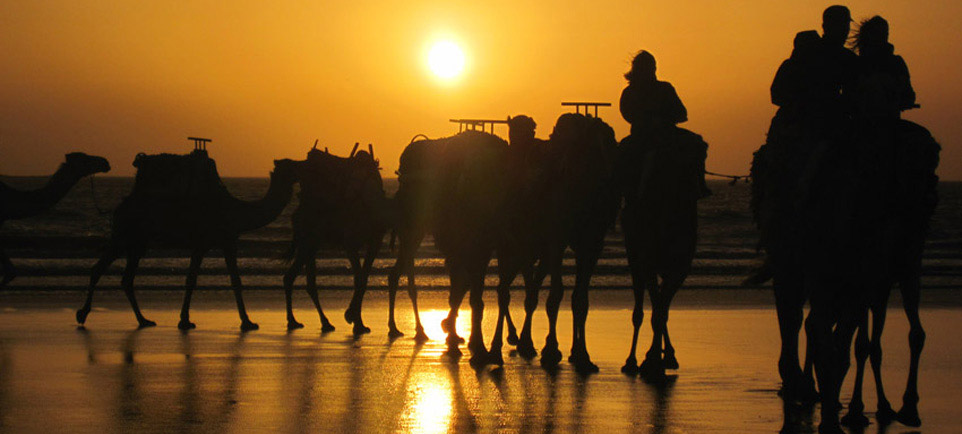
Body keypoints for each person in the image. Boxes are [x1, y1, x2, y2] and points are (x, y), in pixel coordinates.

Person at [619, 50, 710, 198]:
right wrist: (647, 120)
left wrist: (664, 118)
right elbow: (627, 114)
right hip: (642, 135)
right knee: (624, 155)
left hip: (667, 133)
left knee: (699, 144)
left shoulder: (665, 88)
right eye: (648, 66)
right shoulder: (630, 92)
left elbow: (682, 113)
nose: (652, 70)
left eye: (652, 66)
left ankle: (699, 184)